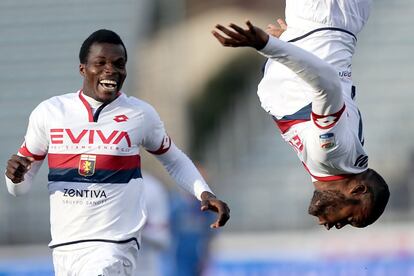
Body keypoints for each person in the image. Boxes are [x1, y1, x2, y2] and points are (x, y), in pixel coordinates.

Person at [4, 29, 230, 275]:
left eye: (118, 64)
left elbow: (174, 159)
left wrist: (203, 192)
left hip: (114, 244)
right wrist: (14, 178)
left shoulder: (140, 114)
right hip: (64, 246)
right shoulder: (49, 112)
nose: (110, 70)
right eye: (100, 63)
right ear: (83, 69)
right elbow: (18, 188)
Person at [212, 0, 389, 230]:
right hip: (323, 13)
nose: (331, 225)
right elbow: (329, 83)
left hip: (324, 22)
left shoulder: (342, 160)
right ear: (357, 189)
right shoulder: (331, 154)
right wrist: (267, 45)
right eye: (348, 219)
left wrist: (293, 40)